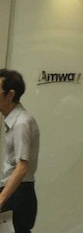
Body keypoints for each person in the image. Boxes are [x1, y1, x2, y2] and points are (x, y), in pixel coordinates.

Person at [0, 69, 40, 233]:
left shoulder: (21, 122)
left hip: (18, 194)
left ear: (10, 95)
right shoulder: (13, 120)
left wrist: (1, 199)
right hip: (14, 190)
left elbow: (22, 166)